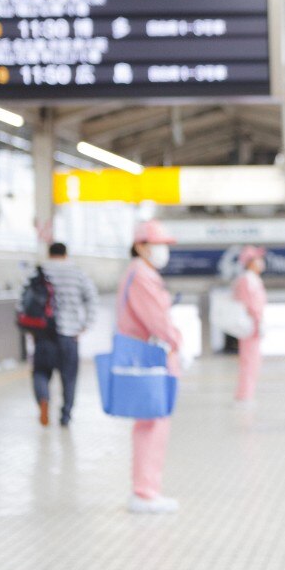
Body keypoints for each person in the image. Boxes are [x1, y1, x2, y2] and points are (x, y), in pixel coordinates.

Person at [117, 219, 183, 514]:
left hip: (145, 355)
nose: (162, 251)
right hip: (150, 356)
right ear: (141, 246)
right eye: (158, 245)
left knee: (150, 423)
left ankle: (146, 490)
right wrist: (177, 341)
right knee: (152, 424)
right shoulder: (142, 274)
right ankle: (145, 492)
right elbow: (157, 319)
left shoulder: (139, 272)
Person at [29, 242, 98, 427]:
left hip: (43, 334)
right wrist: (85, 325)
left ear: (49, 253)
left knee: (40, 373)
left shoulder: (38, 271)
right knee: (69, 377)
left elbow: (24, 303)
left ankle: (43, 399)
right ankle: (65, 415)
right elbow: (92, 298)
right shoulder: (76, 272)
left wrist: (31, 330)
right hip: (69, 334)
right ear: (65, 254)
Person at [233, 245, 267, 402]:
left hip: (254, 325)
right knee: (249, 361)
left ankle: (247, 394)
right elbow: (249, 303)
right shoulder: (247, 280)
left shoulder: (253, 279)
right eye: (258, 259)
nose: (261, 262)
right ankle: (244, 395)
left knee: (253, 361)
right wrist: (257, 320)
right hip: (249, 325)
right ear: (250, 262)